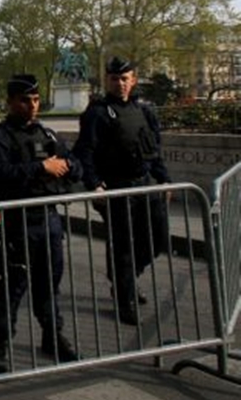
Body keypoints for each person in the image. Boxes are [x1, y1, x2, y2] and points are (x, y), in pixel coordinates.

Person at [0, 75, 82, 374]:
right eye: (25, 100)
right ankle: (1, 342)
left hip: (48, 219)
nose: (32, 106)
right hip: (18, 223)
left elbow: (76, 165)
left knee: (49, 283)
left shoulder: (47, 134)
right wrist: (41, 168)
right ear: (10, 102)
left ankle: (52, 335)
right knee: (14, 285)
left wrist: (65, 166)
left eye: (36, 100)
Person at [74, 57, 171, 325]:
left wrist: (164, 180)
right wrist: (94, 183)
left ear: (134, 79)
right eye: (115, 79)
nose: (120, 83)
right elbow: (85, 151)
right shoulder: (97, 113)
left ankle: (123, 278)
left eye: (125, 78)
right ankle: (125, 298)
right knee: (124, 247)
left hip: (144, 184)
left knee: (157, 240)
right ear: (107, 80)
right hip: (116, 188)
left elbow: (154, 149)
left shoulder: (145, 111)